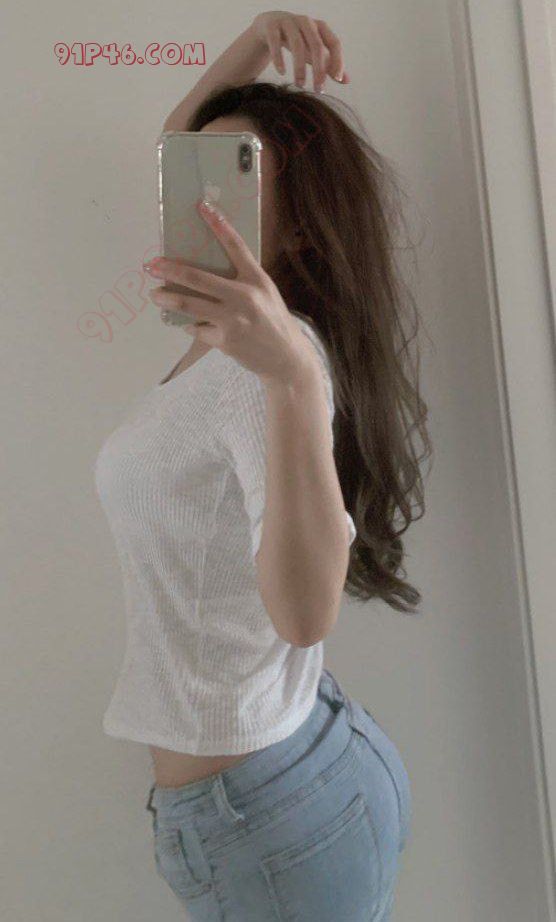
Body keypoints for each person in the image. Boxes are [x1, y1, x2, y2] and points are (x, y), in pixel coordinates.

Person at [94, 10, 431, 919]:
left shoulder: (271, 366)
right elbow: (182, 147)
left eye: (232, 183)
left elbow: (306, 614)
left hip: (272, 824)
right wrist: (253, 44)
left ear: (301, 235)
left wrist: (292, 384)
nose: (198, 203)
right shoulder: (226, 340)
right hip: (280, 788)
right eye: (194, 176)